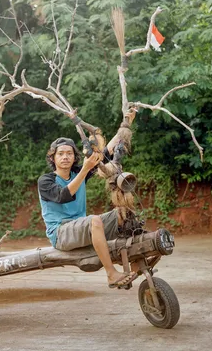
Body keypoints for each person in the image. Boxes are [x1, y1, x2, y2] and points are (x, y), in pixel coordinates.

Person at [37, 113, 137, 289]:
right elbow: (64, 195)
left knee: (125, 214)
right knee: (94, 220)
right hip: (61, 234)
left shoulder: (77, 173)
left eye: (69, 153)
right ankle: (111, 274)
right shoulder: (46, 181)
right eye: (60, 154)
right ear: (53, 158)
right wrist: (85, 169)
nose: (65, 157)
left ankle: (136, 263)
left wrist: (126, 122)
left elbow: (106, 152)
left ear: (75, 157)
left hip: (81, 227)